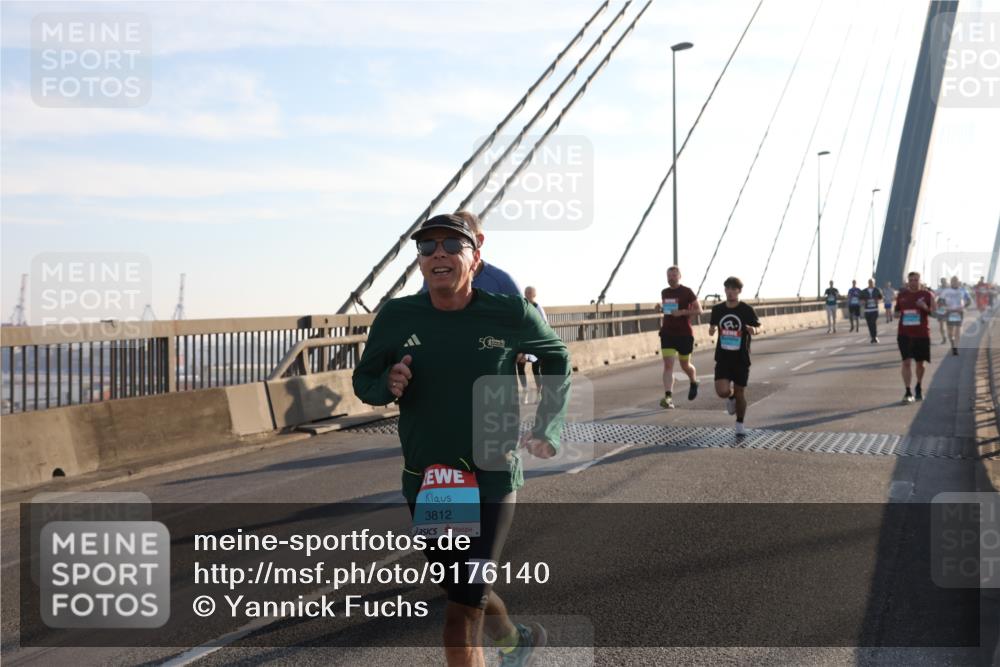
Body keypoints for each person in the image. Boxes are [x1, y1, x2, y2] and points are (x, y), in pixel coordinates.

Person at [352, 212, 570, 666]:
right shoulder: (397, 317)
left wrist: (547, 426)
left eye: (452, 245)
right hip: (428, 481)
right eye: (427, 247)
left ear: (476, 256)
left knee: (460, 614)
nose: (439, 254)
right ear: (420, 261)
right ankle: (515, 642)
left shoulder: (510, 313)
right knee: (463, 591)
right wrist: (387, 384)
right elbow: (364, 381)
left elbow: (556, 357)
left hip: (489, 476)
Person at [419, 211, 521, 297]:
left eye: (454, 242)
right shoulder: (435, 279)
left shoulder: (503, 283)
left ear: (479, 240)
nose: (440, 252)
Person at [708, 276, 760, 436]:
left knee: (740, 393)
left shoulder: (746, 309)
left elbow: (758, 326)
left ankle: (740, 423)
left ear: (739, 291)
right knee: (722, 391)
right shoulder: (718, 309)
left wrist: (753, 330)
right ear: (725, 290)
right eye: (728, 289)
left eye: (733, 289)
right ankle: (730, 398)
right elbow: (712, 326)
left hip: (741, 358)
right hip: (723, 357)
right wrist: (712, 330)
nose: (730, 292)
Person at [658, 265, 701, 409]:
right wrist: (659, 308)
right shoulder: (664, 292)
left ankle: (693, 381)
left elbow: (699, 310)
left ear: (679, 276)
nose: (671, 278)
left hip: (684, 334)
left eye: (674, 276)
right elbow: (668, 310)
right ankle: (668, 398)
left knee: (685, 365)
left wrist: (682, 312)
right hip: (668, 333)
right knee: (668, 365)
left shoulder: (687, 291)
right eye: (669, 276)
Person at [894, 271, 933, 403]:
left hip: (921, 334)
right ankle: (907, 391)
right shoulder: (901, 295)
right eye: (911, 280)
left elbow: (935, 312)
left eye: (916, 280)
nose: (913, 282)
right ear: (908, 281)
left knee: (920, 364)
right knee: (906, 362)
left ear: (920, 281)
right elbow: (897, 311)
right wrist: (896, 314)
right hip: (904, 334)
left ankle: (919, 386)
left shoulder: (927, 295)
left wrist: (924, 307)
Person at [517, 286, 548, 403]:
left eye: (530, 292)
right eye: (526, 292)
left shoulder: (538, 308)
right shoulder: (522, 305)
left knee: (536, 368)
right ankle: (525, 391)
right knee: (520, 365)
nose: (527, 294)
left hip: (535, 341)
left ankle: (539, 394)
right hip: (523, 341)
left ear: (534, 294)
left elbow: (544, 324)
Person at [938, 276, 972, 355]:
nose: (954, 282)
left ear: (958, 282)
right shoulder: (946, 291)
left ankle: (955, 347)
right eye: (953, 281)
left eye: (956, 281)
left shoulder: (963, 290)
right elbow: (940, 301)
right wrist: (945, 307)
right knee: (950, 331)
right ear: (951, 282)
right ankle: (952, 342)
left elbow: (969, 301)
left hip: (959, 312)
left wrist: (963, 307)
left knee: (958, 329)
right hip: (949, 312)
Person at [860, 279, 883, 343]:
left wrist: (878, 301)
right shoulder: (864, 291)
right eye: (870, 282)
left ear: (874, 283)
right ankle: (872, 337)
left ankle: (875, 336)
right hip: (867, 310)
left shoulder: (877, 290)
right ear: (868, 283)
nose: (871, 283)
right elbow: (860, 299)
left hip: (874, 310)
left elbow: (881, 298)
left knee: (873, 323)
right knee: (869, 324)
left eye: (872, 282)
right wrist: (864, 302)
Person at [934, 277, 949, 344]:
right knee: (941, 324)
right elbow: (934, 297)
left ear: (946, 282)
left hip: (949, 307)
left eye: (944, 281)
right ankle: (944, 337)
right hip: (941, 307)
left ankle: (950, 336)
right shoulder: (939, 289)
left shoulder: (950, 289)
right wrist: (935, 304)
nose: (943, 283)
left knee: (949, 324)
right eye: (942, 281)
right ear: (941, 282)